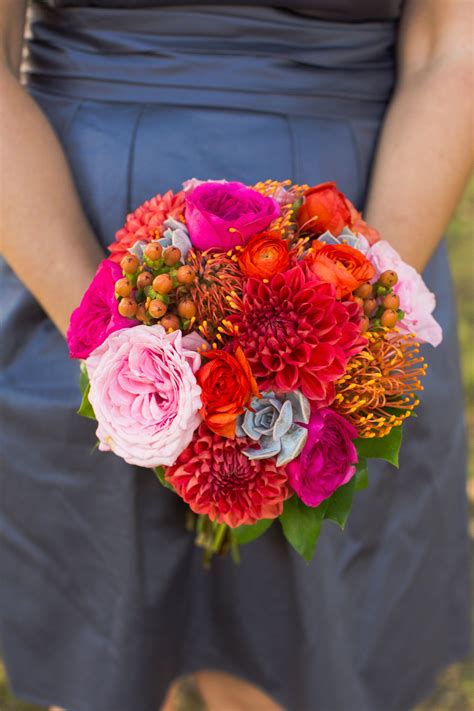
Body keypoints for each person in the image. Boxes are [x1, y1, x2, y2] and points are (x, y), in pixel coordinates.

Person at [0, 1, 472, 710]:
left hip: (362, 227)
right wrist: (120, 351)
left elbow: (452, 46)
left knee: (312, 664)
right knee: (107, 657)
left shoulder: (361, 300)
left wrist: (358, 320)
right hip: (71, 239)